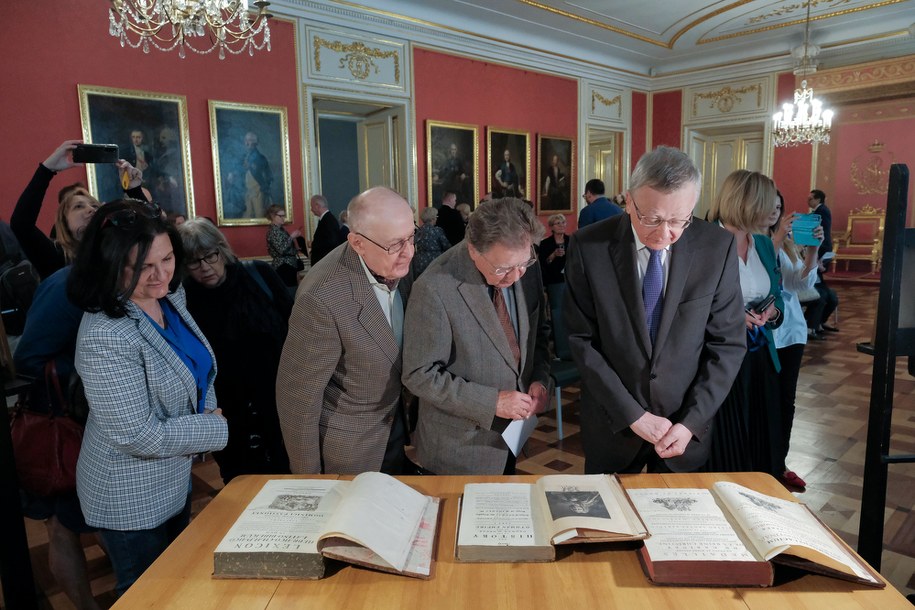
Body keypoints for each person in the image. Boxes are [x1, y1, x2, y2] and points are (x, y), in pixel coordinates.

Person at [68, 200, 228, 596]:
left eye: (169, 259)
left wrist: (204, 411)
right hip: (128, 494)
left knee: (177, 583)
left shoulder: (169, 297)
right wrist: (213, 427)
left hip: (171, 477)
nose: (162, 276)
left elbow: (196, 364)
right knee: (146, 594)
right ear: (110, 263)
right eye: (142, 267)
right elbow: (137, 435)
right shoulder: (106, 334)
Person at [564, 146, 745, 474]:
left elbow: (727, 345)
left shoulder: (716, 247)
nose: (665, 234)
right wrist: (632, 414)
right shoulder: (588, 247)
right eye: (652, 219)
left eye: (679, 220)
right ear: (629, 200)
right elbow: (582, 341)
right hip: (613, 426)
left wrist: (690, 422)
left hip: (684, 432)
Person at [402, 197, 552, 475]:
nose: (516, 276)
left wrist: (539, 379)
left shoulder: (523, 264)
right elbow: (419, 374)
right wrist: (492, 402)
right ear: (473, 250)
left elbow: (537, 335)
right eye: (503, 269)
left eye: (523, 264)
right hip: (460, 448)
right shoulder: (435, 287)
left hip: (512, 437)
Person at [276, 187, 416, 475]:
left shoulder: (395, 259)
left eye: (411, 237)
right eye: (395, 244)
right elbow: (298, 400)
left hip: (396, 430)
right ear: (357, 243)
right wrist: (309, 480)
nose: (409, 252)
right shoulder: (323, 296)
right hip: (351, 451)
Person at [179, 219, 292, 483]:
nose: (205, 267)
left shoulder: (259, 275)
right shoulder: (185, 300)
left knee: (289, 474)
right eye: (194, 262)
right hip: (228, 410)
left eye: (210, 256)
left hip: (279, 399)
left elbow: (296, 325)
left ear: (222, 249)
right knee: (240, 481)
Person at [705, 170, 785, 476]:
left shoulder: (763, 244)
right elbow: (688, 307)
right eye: (767, 204)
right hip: (720, 360)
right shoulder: (705, 240)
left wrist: (772, 313)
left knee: (761, 442)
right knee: (729, 448)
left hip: (760, 357)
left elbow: (776, 293)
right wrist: (734, 316)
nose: (772, 211)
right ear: (746, 203)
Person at [768, 192, 821, 490]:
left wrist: (812, 249)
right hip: (760, 334)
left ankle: (779, 464)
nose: (776, 212)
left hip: (790, 332)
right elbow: (761, 276)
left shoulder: (786, 245)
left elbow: (797, 283)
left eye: (779, 207)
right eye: (770, 207)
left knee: (786, 400)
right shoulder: (746, 240)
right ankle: (759, 462)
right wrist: (775, 237)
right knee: (764, 399)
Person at [10, 140, 101, 279]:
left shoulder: (116, 252)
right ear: (64, 222)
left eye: (95, 206)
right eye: (78, 206)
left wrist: (134, 190)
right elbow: (21, 224)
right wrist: (46, 170)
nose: (90, 210)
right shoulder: (57, 257)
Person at [804, 188, 839, 337]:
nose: (808, 200)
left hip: (820, 249)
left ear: (818, 199)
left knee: (832, 297)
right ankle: (812, 326)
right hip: (814, 256)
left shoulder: (820, 212)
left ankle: (818, 323)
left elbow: (818, 233)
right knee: (822, 296)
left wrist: (818, 257)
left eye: (810, 198)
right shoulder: (819, 212)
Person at [539, 214, 568, 340]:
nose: (562, 225)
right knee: (557, 312)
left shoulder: (571, 240)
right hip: (554, 281)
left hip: (569, 280)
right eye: (558, 223)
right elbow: (543, 264)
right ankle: (560, 343)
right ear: (551, 227)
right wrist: (553, 255)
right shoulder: (545, 244)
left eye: (563, 222)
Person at [265, 204, 302, 287]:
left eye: (284, 216)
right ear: (272, 216)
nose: (283, 218)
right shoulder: (273, 231)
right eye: (280, 216)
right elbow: (281, 249)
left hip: (289, 265)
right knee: (289, 292)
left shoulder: (281, 230)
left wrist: (296, 249)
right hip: (283, 266)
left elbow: (285, 246)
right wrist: (291, 237)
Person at [412, 206, 451, 277]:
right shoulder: (437, 230)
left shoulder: (419, 230)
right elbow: (447, 246)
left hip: (419, 261)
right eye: (436, 216)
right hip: (434, 260)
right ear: (433, 218)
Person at [309, 194, 342, 266]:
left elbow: (332, 242)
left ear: (317, 206)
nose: (311, 209)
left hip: (325, 263)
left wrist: (314, 244)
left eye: (312, 206)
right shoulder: (326, 219)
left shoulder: (328, 220)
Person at [436, 142, 472, 206]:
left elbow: (462, 171)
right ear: (449, 150)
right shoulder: (446, 161)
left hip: (455, 186)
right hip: (446, 185)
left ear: (456, 150)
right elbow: (442, 172)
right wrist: (438, 176)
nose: (453, 151)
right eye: (452, 149)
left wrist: (463, 174)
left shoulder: (459, 160)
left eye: (454, 149)